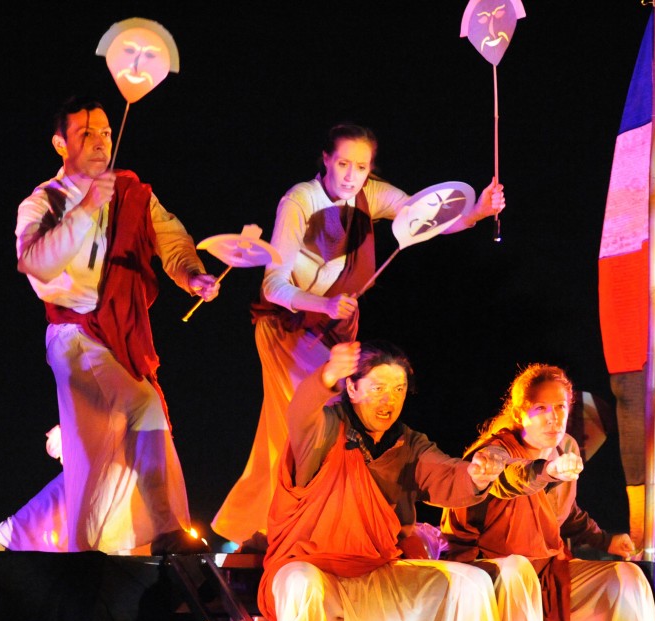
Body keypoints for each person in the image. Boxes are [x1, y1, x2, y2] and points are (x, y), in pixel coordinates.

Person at [212, 123, 505, 548]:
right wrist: (325, 305)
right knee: (316, 418)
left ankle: (249, 527)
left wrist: (476, 213)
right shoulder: (299, 201)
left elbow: (424, 219)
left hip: (337, 329)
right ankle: (298, 522)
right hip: (289, 327)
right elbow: (274, 286)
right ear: (326, 159)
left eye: (362, 166)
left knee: (283, 429)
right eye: (344, 163)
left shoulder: (373, 194)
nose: (352, 175)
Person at [258, 339, 524, 621]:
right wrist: (325, 377)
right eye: (378, 387)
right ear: (352, 389)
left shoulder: (409, 443)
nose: (389, 400)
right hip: (316, 572)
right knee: (297, 581)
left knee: (467, 583)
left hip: (374, 574)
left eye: (398, 389)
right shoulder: (326, 429)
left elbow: (448, 475)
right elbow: (300, 414)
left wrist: (480, 473)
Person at [10, 95, 219, 555]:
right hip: (75, 338)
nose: (100, 141)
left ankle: (57, 542)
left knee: (106, 461)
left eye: (105, 131)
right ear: (59, 143)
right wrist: (85, 210)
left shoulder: (130, 191)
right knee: (144, 407)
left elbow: (169, 236)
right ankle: (167, 531)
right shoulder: (43, 201)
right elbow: (36, 264)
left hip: (117, 337)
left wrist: (190, 274)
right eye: (85, 133)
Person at [440, 363, 655, 621]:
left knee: (626, 578)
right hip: (487, 574)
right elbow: (510, 479)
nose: (552, 418)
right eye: (541, 409)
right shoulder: (495, 450)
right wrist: (546, 470)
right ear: (520, 413)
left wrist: (604, 541)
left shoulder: (566, 448)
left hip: (546, 568)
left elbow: (566, 515)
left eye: (560, 408)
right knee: (516, 572)